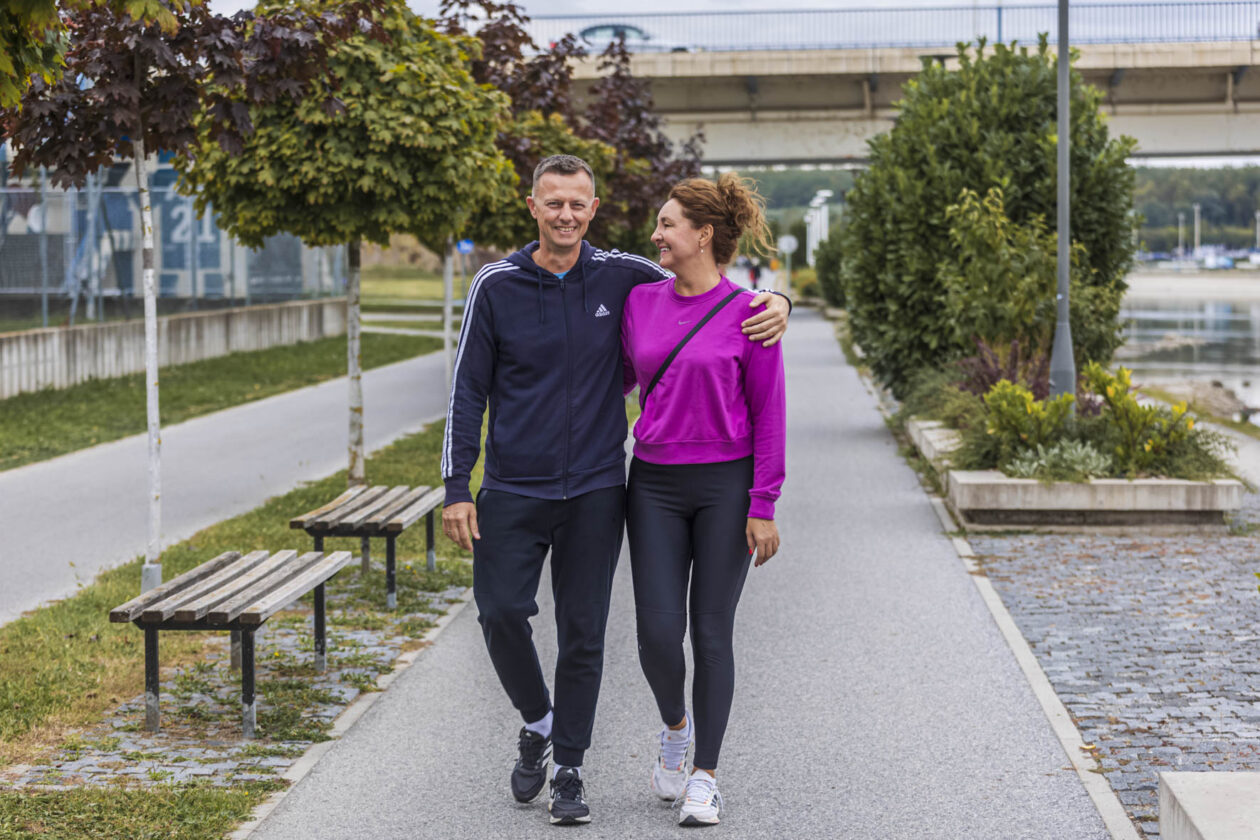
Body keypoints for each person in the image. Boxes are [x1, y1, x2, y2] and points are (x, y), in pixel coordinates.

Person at [440, 155, 791, 826]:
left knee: (594, 633)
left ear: (592, 210)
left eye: (578, 203)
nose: (566, 214)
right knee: (503, 612)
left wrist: (780, 300)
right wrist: (459, 483)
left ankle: (576, 768)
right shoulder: (502, 283)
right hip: (529, 484)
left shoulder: (624, 277)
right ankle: (542, 721)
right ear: (533, 206)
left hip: (603, 485)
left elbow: (714, 293)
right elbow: (467, 391)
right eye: (554, 203)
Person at [620, 173, 786, 827]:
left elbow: (769, 413)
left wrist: (764, 502)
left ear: (704, 235)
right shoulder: (639, 302)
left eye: (667, 225)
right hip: (653, 484)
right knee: (657, 632)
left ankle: (705, 776)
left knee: (711, 631)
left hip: (726, 486)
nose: (656, 235)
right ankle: (675, 725)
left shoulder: (752, 312)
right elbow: (616, 375)